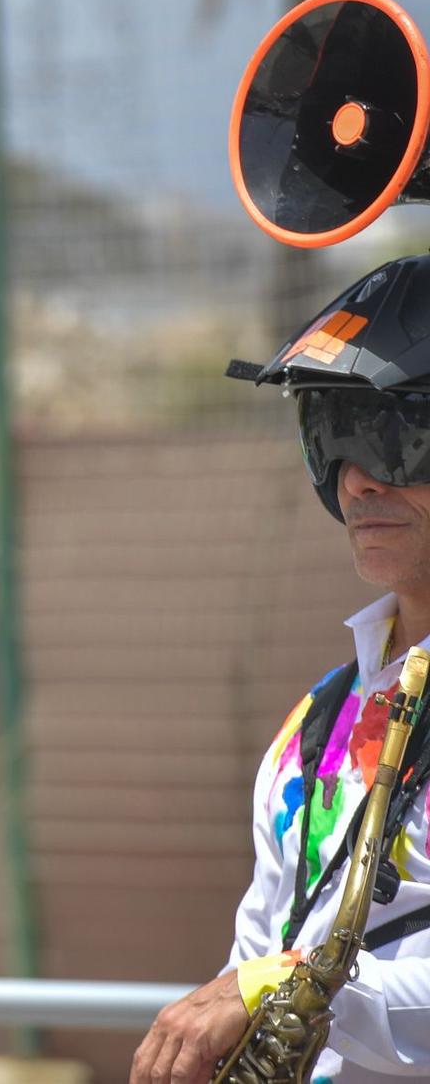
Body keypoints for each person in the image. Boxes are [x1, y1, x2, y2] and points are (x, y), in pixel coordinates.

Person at [134, 255, 430, 1082]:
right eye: (328, 437)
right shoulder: (320, 719)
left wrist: (287, 991)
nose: (357, 479)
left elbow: (269, 980)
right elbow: (260, 953)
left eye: (395, 435)